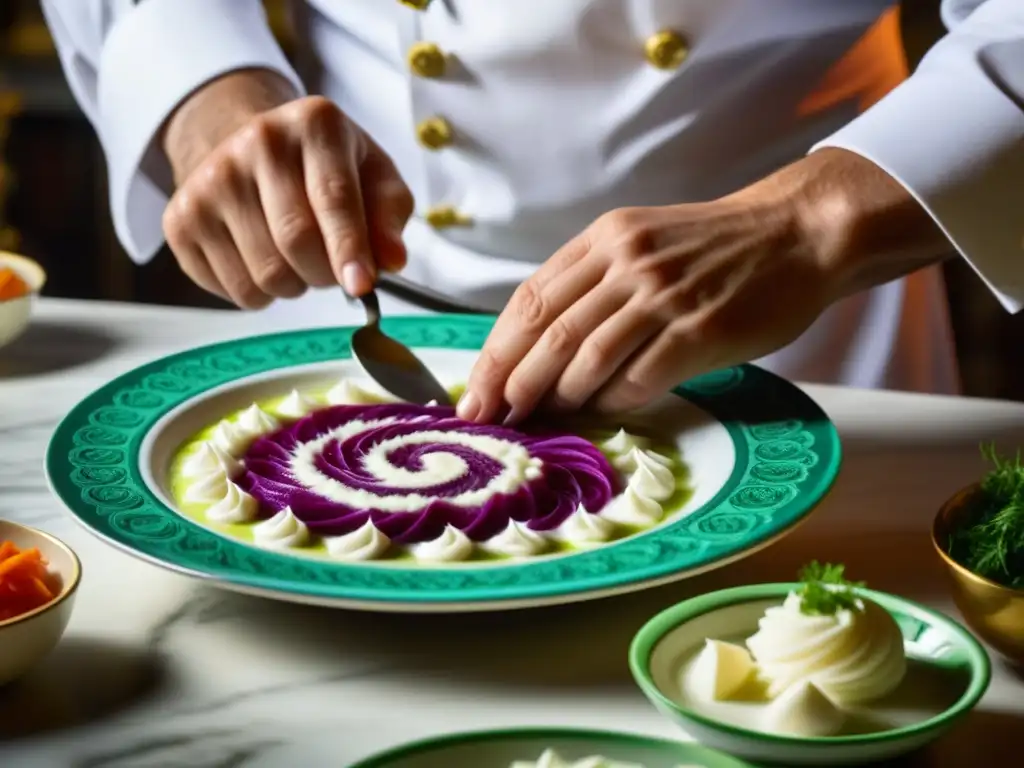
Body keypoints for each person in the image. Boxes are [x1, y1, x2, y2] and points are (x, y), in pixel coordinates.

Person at [42, 1, 1023, 425]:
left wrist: (810, 224)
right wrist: (206, 89)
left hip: (783, 326)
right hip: (346, 319)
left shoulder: (798, 248)